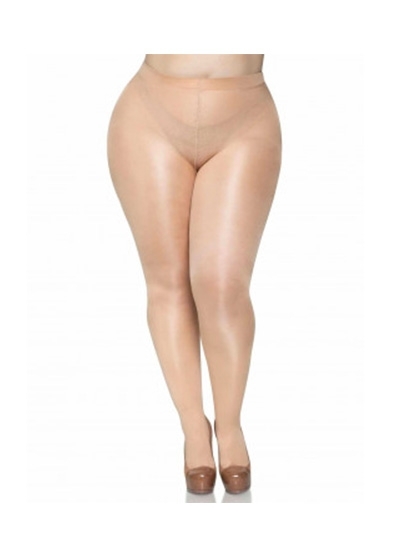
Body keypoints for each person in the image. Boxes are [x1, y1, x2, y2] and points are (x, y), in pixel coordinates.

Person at [106, 54, 282, 494]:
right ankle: (193, 429)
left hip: (244, 117)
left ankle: (230, 424)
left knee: (222, 284)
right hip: (150, 113)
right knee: (168, 282)